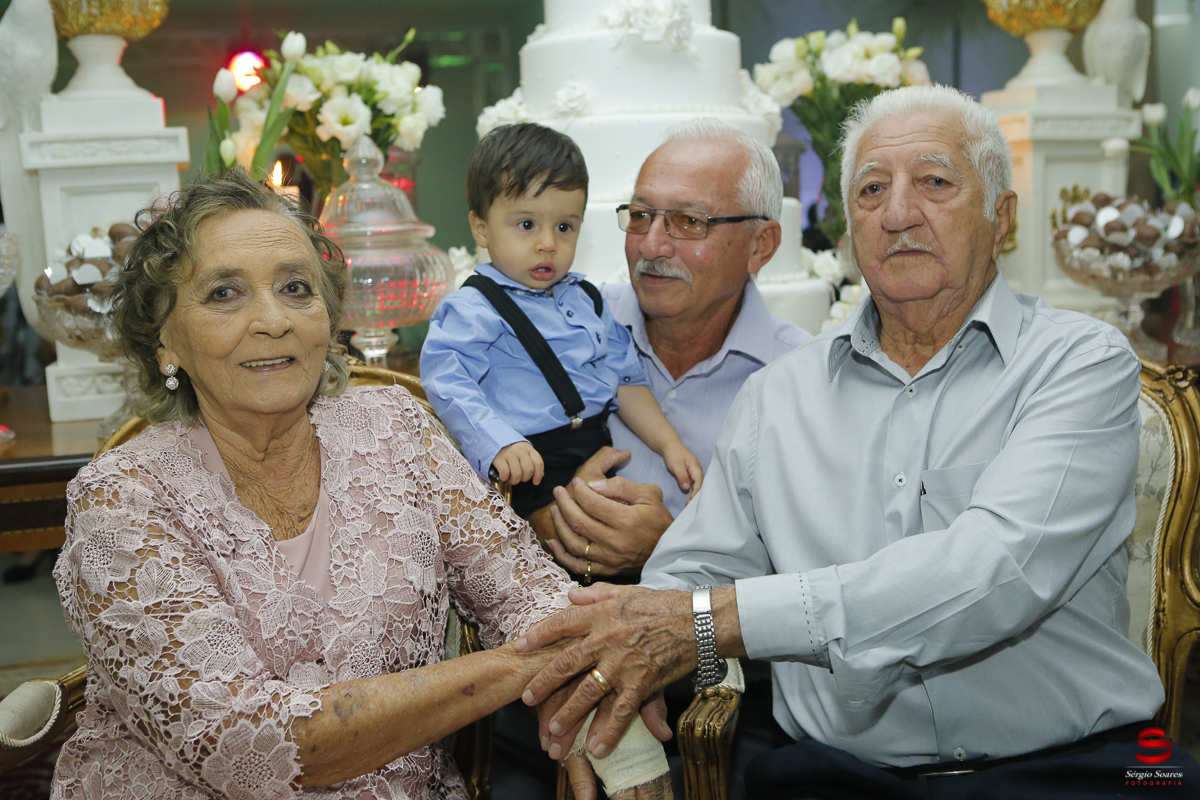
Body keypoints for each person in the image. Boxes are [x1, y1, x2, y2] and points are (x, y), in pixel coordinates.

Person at [516, 85, 1194, 798]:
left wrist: (716, 623)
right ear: (848, 227)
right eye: (872, 190)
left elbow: (995, 572)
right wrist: (637, 663)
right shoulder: (780, 394)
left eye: (934, 182)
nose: (899, 213)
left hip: (1069, 767)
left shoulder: (1077, 363)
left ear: (1003, 218)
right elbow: (691, 572)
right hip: (835, 775)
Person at [50, 169, 670, 800]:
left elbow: (523, 590)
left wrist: (600, 704)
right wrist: (523, 667)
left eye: (296, 288)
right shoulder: (122, 498)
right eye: (224, 295)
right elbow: (245, 749)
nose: (273, 321)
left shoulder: (394, 427)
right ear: (166, 343)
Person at [529, 118, 811, 578]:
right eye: (640, 217)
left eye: (689, 222)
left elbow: (812, 578)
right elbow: (471, 494)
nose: (652, 245)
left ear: (760, 246)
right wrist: (555, 513)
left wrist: (670, 547)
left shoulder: (804, 381)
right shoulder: (559, 328)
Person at [421, 123, 702, 522]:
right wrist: (498, 443)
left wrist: (669, 445)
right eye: (526, 225)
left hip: (594, 449)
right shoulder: (473, 309)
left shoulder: (587, 298)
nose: (548, 243)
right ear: (480, 228)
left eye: (565, 227)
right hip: (528, 465)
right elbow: (447, 383)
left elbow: (625, 381)